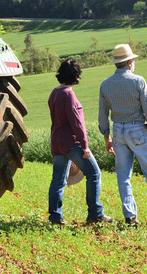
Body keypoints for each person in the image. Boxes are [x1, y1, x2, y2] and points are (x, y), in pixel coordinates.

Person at [99, 44, 147, 227]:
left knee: (123, 176)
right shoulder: (139, 81)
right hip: (137, 130)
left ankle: (130, 217)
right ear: (129, 62)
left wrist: (107, 138)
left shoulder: (105, 85)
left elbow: (102, 115)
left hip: (118, 132)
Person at [48, 59, 113, 225]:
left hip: (56, 141)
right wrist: (85, 147)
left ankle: (55, 217)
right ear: (76, 76)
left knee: (58, 181)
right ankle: (95, 214)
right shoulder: (68, 94)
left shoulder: (54, 93)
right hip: (71, 142)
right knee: (94, 173)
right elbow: (77, 123)